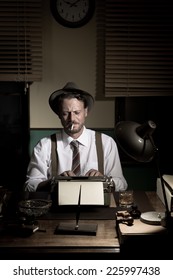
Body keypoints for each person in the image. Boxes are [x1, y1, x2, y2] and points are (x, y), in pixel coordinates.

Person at [24, 82, 128, 192]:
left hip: (97, 207)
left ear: (86, 112)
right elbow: (29, 186)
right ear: (59, 114)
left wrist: (105, 180)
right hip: (57, 208)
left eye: (77, 112)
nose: (72, 118)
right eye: (65, 113)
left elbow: (122, 184)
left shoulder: (106, 143)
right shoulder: (44, 145)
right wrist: (54, 182)